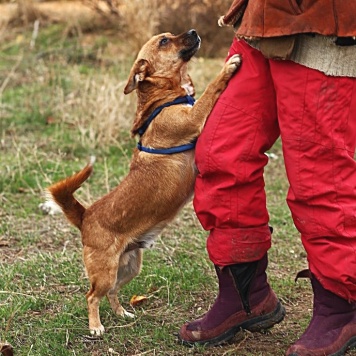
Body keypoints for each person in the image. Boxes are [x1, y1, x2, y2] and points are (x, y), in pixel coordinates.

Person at [178, 1, 356, 355]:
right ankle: (246, 296)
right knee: (221, 152)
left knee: (321, 176)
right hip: (263, 22)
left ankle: (341, 309)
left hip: (327, 27)